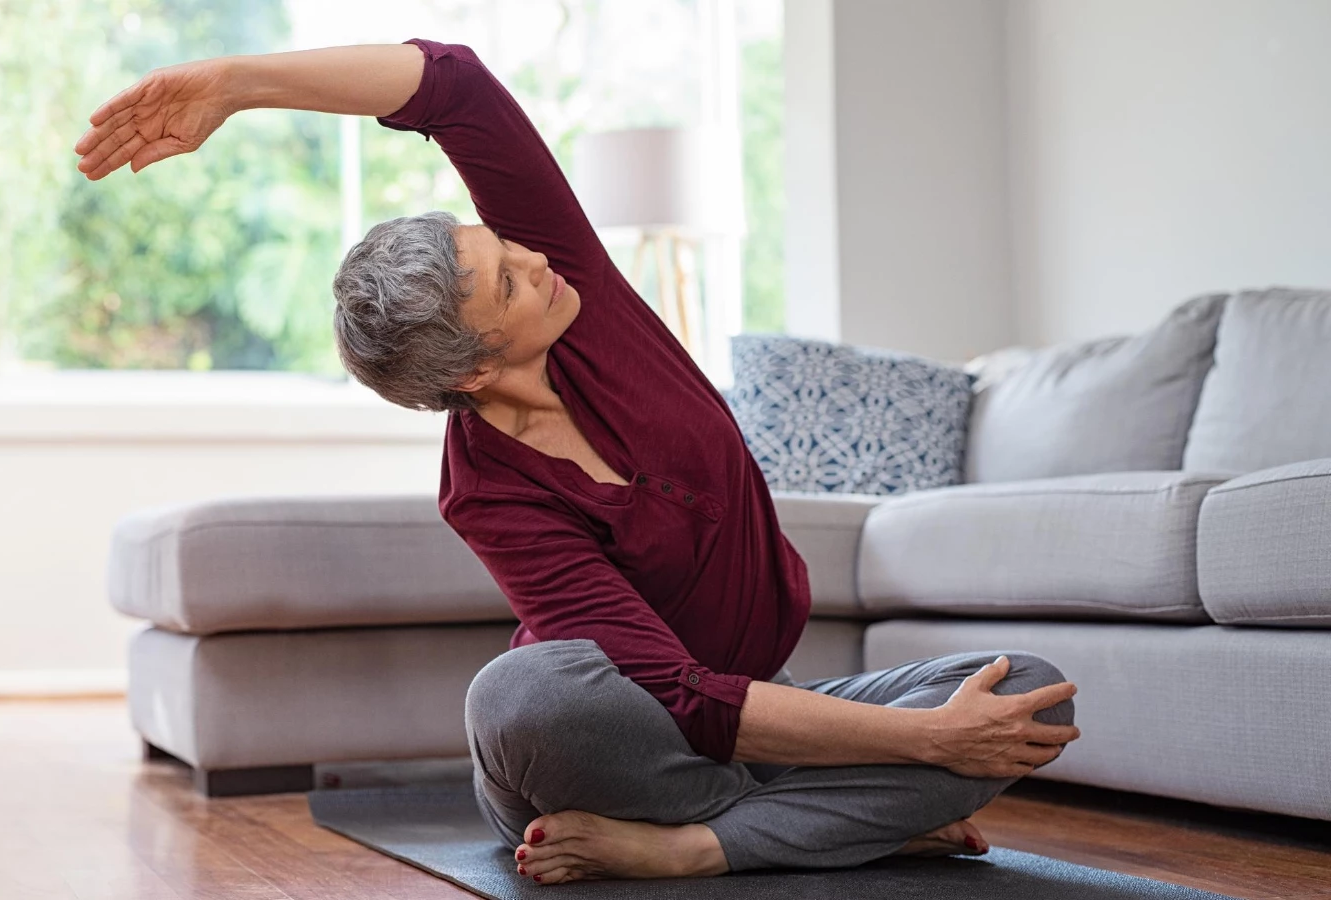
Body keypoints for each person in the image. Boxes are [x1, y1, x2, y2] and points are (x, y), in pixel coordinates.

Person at [74, 38, 1081, 886]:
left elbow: (454, 86)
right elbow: (679, 698)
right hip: (616, 746)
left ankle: (701, 845)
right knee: (519, 697)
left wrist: (238, 84)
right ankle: (831, 822)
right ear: (469, 367)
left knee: (1027, 689)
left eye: (513, 250)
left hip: (740, 731)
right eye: (509, 281)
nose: (540, 260)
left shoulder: (581, 295)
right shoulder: (486, 492)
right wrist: (924, 749)